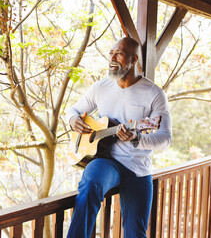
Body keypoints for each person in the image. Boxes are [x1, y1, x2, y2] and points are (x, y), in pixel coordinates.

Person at [65, 37, 172, 238]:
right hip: (106, 161)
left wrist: (136, 139)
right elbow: (72, 110)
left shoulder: (154, 94)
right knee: (90, 185)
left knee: (135, 233)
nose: (112, 57)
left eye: (119, 53)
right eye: (111, 53)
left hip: (138, 168)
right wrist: (72, 120)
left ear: (134, 59)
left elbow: (165, 138)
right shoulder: (100, 87)